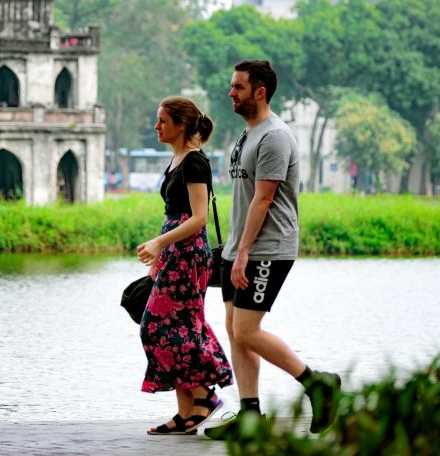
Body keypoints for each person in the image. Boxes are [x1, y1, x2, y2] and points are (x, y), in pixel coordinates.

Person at [205, 60, 340, 440]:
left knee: (247, 331)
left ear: (259, 91)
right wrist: (233, 249)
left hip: (268, 247)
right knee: (235, 330)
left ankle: (318, 384)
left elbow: (263, 200)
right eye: (231, 86)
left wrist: (245, 251)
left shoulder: (275, 137)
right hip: (240, 247)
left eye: (238, 87)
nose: (231, 93)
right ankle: (250, 417)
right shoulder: (247, 135)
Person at [136, 96, 233, 435]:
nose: (156, 126)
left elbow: (199, 218)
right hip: (173, 256)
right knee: (170, 328)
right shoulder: (176, 159)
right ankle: (185, 412)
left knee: (160, 326)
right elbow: (173, 216)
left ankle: (204, 395)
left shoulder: (194, 162)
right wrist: (160, 256)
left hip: (189, 256)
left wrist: (160, 243)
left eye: (162, 121)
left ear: (180, 124)